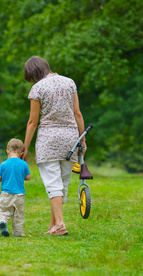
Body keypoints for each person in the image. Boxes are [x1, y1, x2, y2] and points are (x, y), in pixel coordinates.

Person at [23, 56, 86, 236]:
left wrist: (25, 147)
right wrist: (82, 140)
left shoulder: (38, 88)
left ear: (34, 74)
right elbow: (78, 113)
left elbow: (32, 122)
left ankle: (59, 224)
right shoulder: (69, 83)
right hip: (70, 138)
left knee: (53, 182)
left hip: (48, 139)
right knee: (61, 183)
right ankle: (53, 225)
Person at [0, 138, 31, 237]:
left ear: (7, 151)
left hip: (6, 193)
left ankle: (3, 221)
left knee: (4, 210)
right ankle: (18, 233)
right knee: (18, 215)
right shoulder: (24, 164)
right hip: (19, 194)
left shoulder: (3, 164)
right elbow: (28, 177)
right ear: (21, 153)